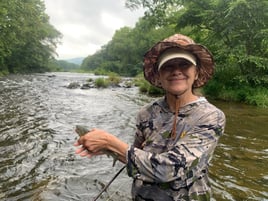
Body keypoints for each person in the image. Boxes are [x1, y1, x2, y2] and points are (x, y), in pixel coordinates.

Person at [74, 33, 226, 201]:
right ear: (159, 75)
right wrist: (106, 148)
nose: (176, 71)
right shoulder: (145, 113)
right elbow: (136, 155)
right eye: (168, 66)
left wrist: (111, 143)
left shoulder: (211, 117)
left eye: (184, 64)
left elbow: (169, 169)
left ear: (196, 72)